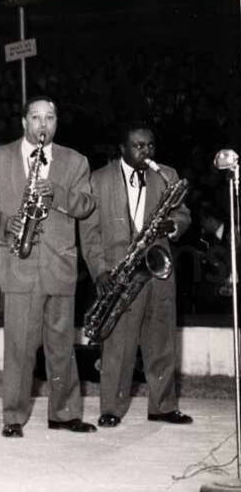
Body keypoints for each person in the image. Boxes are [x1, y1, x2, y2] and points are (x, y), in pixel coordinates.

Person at [0, 95, 97, 438]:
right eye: (36, 117)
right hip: (18, 262)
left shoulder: (75, 161)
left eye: (50, 118)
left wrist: (56, 193)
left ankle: (64, 412)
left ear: (56, 122)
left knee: (62, 344)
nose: (43, 125)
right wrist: (5, 223)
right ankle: (13, 417)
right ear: (23, 122)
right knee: (19, 345)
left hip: (59, 266)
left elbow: (86, 205)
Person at [79, 123, 193, 428]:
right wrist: (100, 270)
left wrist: (173, 226)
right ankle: (111, 408)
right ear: (122, 149)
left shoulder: (165, 174)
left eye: (150, 146)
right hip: (119, 273)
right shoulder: (98, 179)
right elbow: (89, 234)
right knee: (117, 346)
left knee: (162, 341)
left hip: (159, 271)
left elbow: (183, 214)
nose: (146, 152)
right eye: (138, 146)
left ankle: (163, 406)